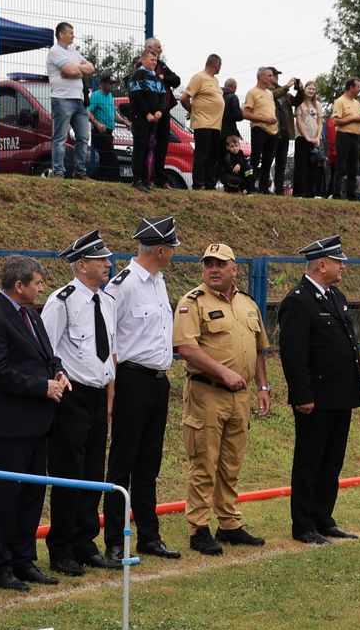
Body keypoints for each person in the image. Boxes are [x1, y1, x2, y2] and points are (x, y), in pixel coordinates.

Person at [0, 256, 68, 591]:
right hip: (11, 426)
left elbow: (47, 355)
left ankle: (24, 560)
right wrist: (42, 387)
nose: (42, 288)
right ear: (19, 285)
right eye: (37, 283)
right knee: (6, 497)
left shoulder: (31, 315)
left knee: (32, 494)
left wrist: (58, 371)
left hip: (38, 423)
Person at [173, 242, 270, 555]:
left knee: (231, 463)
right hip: (206, 394)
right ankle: (199, 528)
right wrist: (223, 373)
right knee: (204, 463)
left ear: (234, 269)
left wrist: (263, 387)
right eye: (208, 264)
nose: (213, 270)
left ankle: (229, 524)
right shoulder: (192, 302)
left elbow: (258, 349)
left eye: (220, 264)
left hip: (239, 397)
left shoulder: (247, 303)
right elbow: (187, 348)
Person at [278, 236, 360, 545]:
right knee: (309, 462)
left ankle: (323, 518)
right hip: (315, 399)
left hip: (340, 396)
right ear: (322, 265)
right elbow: (293, 354)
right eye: (338, 262)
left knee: (331, 462)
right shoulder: (298, 301)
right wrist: (302, 396)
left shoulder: (335, 296)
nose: (343, 267)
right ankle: (303, 525)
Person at [104, 216, 181, 561]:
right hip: (131, 380)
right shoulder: (123, 285)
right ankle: (114, 540)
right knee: (122, 463)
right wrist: (112, 387)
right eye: (171, 248)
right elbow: (108, 338)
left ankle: (149, 535)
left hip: (158, 381)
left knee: (150, 462)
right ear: (160, 250)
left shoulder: (158, 281)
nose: (174, 254)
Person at [42, 230, 118, 576]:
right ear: (82, 265)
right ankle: (61, 548)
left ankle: (85, 541)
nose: (108, 264)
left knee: (92, 472)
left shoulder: (107, 301)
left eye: (107, 258)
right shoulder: (62, 301)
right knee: (68, 473)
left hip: (98, 395)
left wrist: (110, 394)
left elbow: (109, 353)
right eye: (101, 259)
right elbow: (46, 349)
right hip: (71, 396)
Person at [125, 42, 179, 191]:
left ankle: (147, 179)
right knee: (140, 147)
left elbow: (162, 95)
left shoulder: (156, 77)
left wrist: (160, 111)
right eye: (151, 60)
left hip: (154, 119)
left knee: (150, 149)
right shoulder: (138, 74)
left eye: (156, 60)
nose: (154, 62)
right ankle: (137, 179)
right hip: (141, 118)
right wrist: (147, 113)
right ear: (143, 60)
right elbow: (136, 95)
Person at [47, 23, 96, 180]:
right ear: (61, 34)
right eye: (70, 33)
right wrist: (77, 70)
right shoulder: (55, 51)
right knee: (60, 137)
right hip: (62, 99)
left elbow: (91, 68)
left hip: (79, 100)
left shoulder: (74, 53)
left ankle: (80, 172)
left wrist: (76, 70)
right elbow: (71, 71)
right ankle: (59, 172)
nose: (73, 35)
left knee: (83, 137)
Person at [182, 54, 226, 191]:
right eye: (220, 65)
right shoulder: (199, 78)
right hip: (203, 123)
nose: (220, 68)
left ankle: (209, 184)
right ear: (215, 64)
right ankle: (197, 184)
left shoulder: (215, 81)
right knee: (202, 154)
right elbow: (184, 98)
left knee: (213, 156)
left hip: (216, 125)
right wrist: (192, 110)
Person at [242, 66, 280, 194]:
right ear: (261, 77)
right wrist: (265, 119)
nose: (272, 78)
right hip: (259, 128)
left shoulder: (270, 93)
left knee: (268, 160)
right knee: (255, 158)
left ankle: (264, 188)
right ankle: (250, 186)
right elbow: (245, 113)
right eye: (269, 75)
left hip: (273, 131)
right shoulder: (252, 93)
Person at [331, 78, 360, 202]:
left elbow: (359, 118)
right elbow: (336, 121)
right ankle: (337, 194)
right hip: (344, 135)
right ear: (351, 87)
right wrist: (354, 119)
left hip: (356, 137)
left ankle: (351, 195)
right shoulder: (340, 101)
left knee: (353, 167)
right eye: (358, 86)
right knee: (341, 166)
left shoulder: (357, 103)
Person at [291, 80, 324, 199]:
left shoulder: (318, 105)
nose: (311, 91)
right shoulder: (300, 103)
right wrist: (307, 137)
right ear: (305, 89)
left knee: (314, 166)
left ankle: (312, 193)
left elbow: (320, 122)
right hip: (302, 138)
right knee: (301, 166)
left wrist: (317, 137)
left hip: (315, 139)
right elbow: (299, 122)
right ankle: (298, 193)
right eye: (309, 88)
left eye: (313, 89)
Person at [85, 74, 120, 181]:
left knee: (105, 160)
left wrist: (124, 121)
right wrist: (98, 124)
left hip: (108, 131)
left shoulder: (110, 96)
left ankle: (96, 178)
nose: (112, 86)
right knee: (111, 157)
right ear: (103, 84)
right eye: (110, 83)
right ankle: (115, 180)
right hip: (100, 131)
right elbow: (88, 112)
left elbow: (113, 113)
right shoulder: (96, 96)